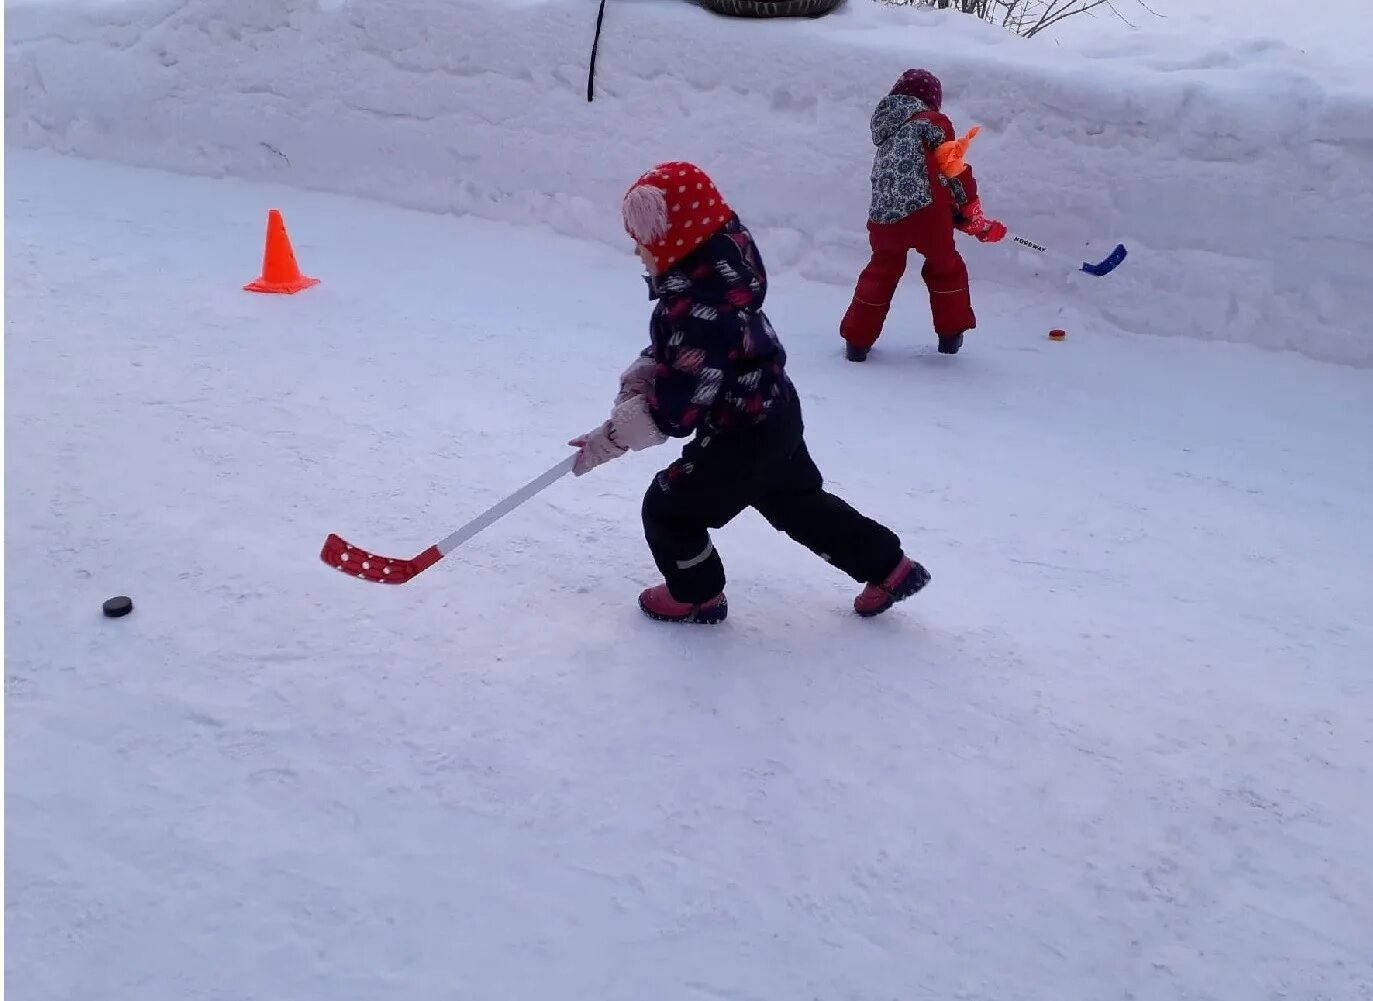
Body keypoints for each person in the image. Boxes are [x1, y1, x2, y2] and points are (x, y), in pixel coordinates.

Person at [568, 161, 931, 625]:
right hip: (775, 413)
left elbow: (674, 416)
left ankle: (697, 595)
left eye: (644, 242)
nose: (639, 253)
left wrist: (608, 439)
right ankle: (889, 567)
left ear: (677, 245)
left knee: (669, 509)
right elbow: (687, 357)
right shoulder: (725, 280)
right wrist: (646, 370)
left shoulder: (691, 311)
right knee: (797, 503)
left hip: (737, 437)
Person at [840, 68, 1006, 361]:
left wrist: (952, 211)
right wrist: (971, 211)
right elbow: (952, 171)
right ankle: (950, 336)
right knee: (946, 268)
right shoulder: (933, 122)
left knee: (881, 270)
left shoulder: (887, 134)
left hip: (884, 219)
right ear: (931, 101)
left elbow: (916, 174)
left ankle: (857, 341)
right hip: (927, 215)